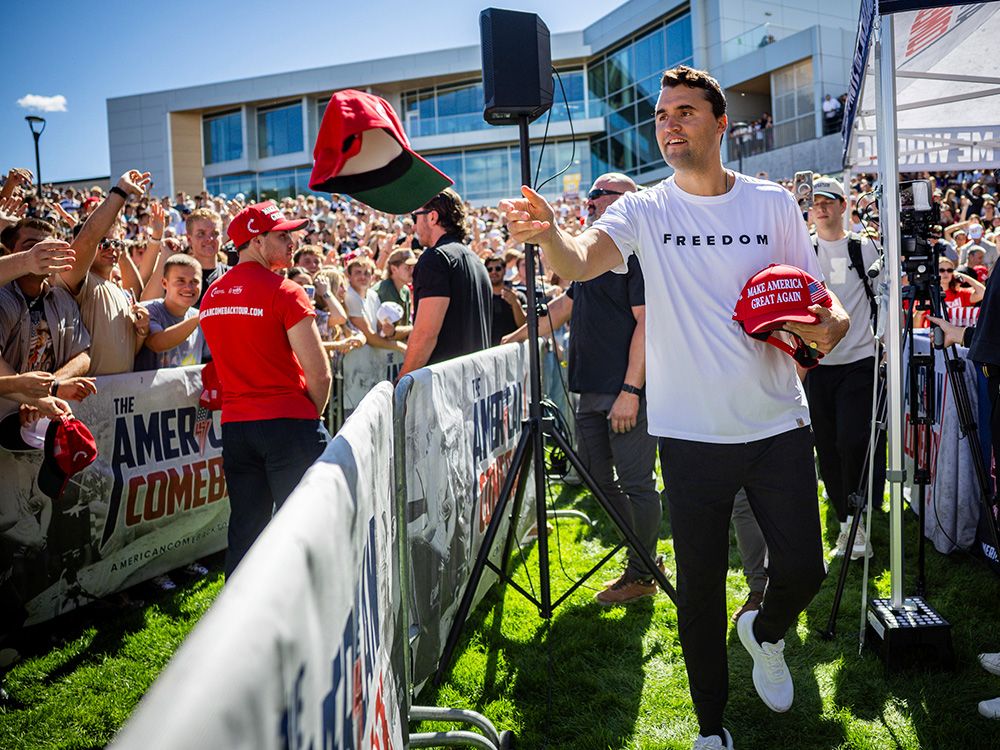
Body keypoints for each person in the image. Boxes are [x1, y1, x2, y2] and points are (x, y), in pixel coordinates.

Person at [500, 65, 849, 750]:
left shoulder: (772, 203)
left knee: (805, 569)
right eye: (662, 115)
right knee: (698, 590)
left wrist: (830, 322)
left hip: (778, 419)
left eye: (685, 111)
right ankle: (711, 729)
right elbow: (581, 259)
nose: (669, 124)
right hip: (690, 434)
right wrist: (549, 238)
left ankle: (765, 631)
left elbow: (810, 294)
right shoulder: (644, 208)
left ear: (721, 123)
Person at [198, 201, 331, 578]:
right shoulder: (286, 291)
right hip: (289, 424)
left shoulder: (212, 295)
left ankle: (238, 611)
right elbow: (320, 374)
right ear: (256, 241)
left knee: (246, 531)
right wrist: (309, 417)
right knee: (307, 529)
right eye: (283, 236)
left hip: (237, 429)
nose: (293, 243)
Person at [806, 177, 885, 560]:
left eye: (828, 201)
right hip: (817, 365)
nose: (820, 208)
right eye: (815, 202)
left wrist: (885, 346)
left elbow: (884, 296)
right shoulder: (804, 248)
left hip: (859, 360)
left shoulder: (863, 247)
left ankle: (858, 516)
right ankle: (845, 522)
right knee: (826, 447)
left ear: (843, 205)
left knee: (852, 441)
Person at [398, 188, 492, 378]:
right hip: (475, 382)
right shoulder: (476, 261)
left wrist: (402, 381)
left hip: (446, 384)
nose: (414, 227)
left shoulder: (435, 259)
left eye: (416, 217)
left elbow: (425, 334)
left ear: (432, 217)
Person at [134, 254, 206, 370]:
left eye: (194, 281)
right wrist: (200, 317)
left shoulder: (200, 316)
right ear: (164, 283)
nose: (188, 287)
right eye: (180, 281)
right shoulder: (148, 310)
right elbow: (157, 344)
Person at [485, 254, 526, 346]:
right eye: (490, 269)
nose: (494, 272)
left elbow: (524, 325)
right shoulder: (482, 298)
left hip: (513, 347)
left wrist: (515, 303)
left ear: (504, 270)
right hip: (488, 349)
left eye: (498, 268)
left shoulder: (518, 296)